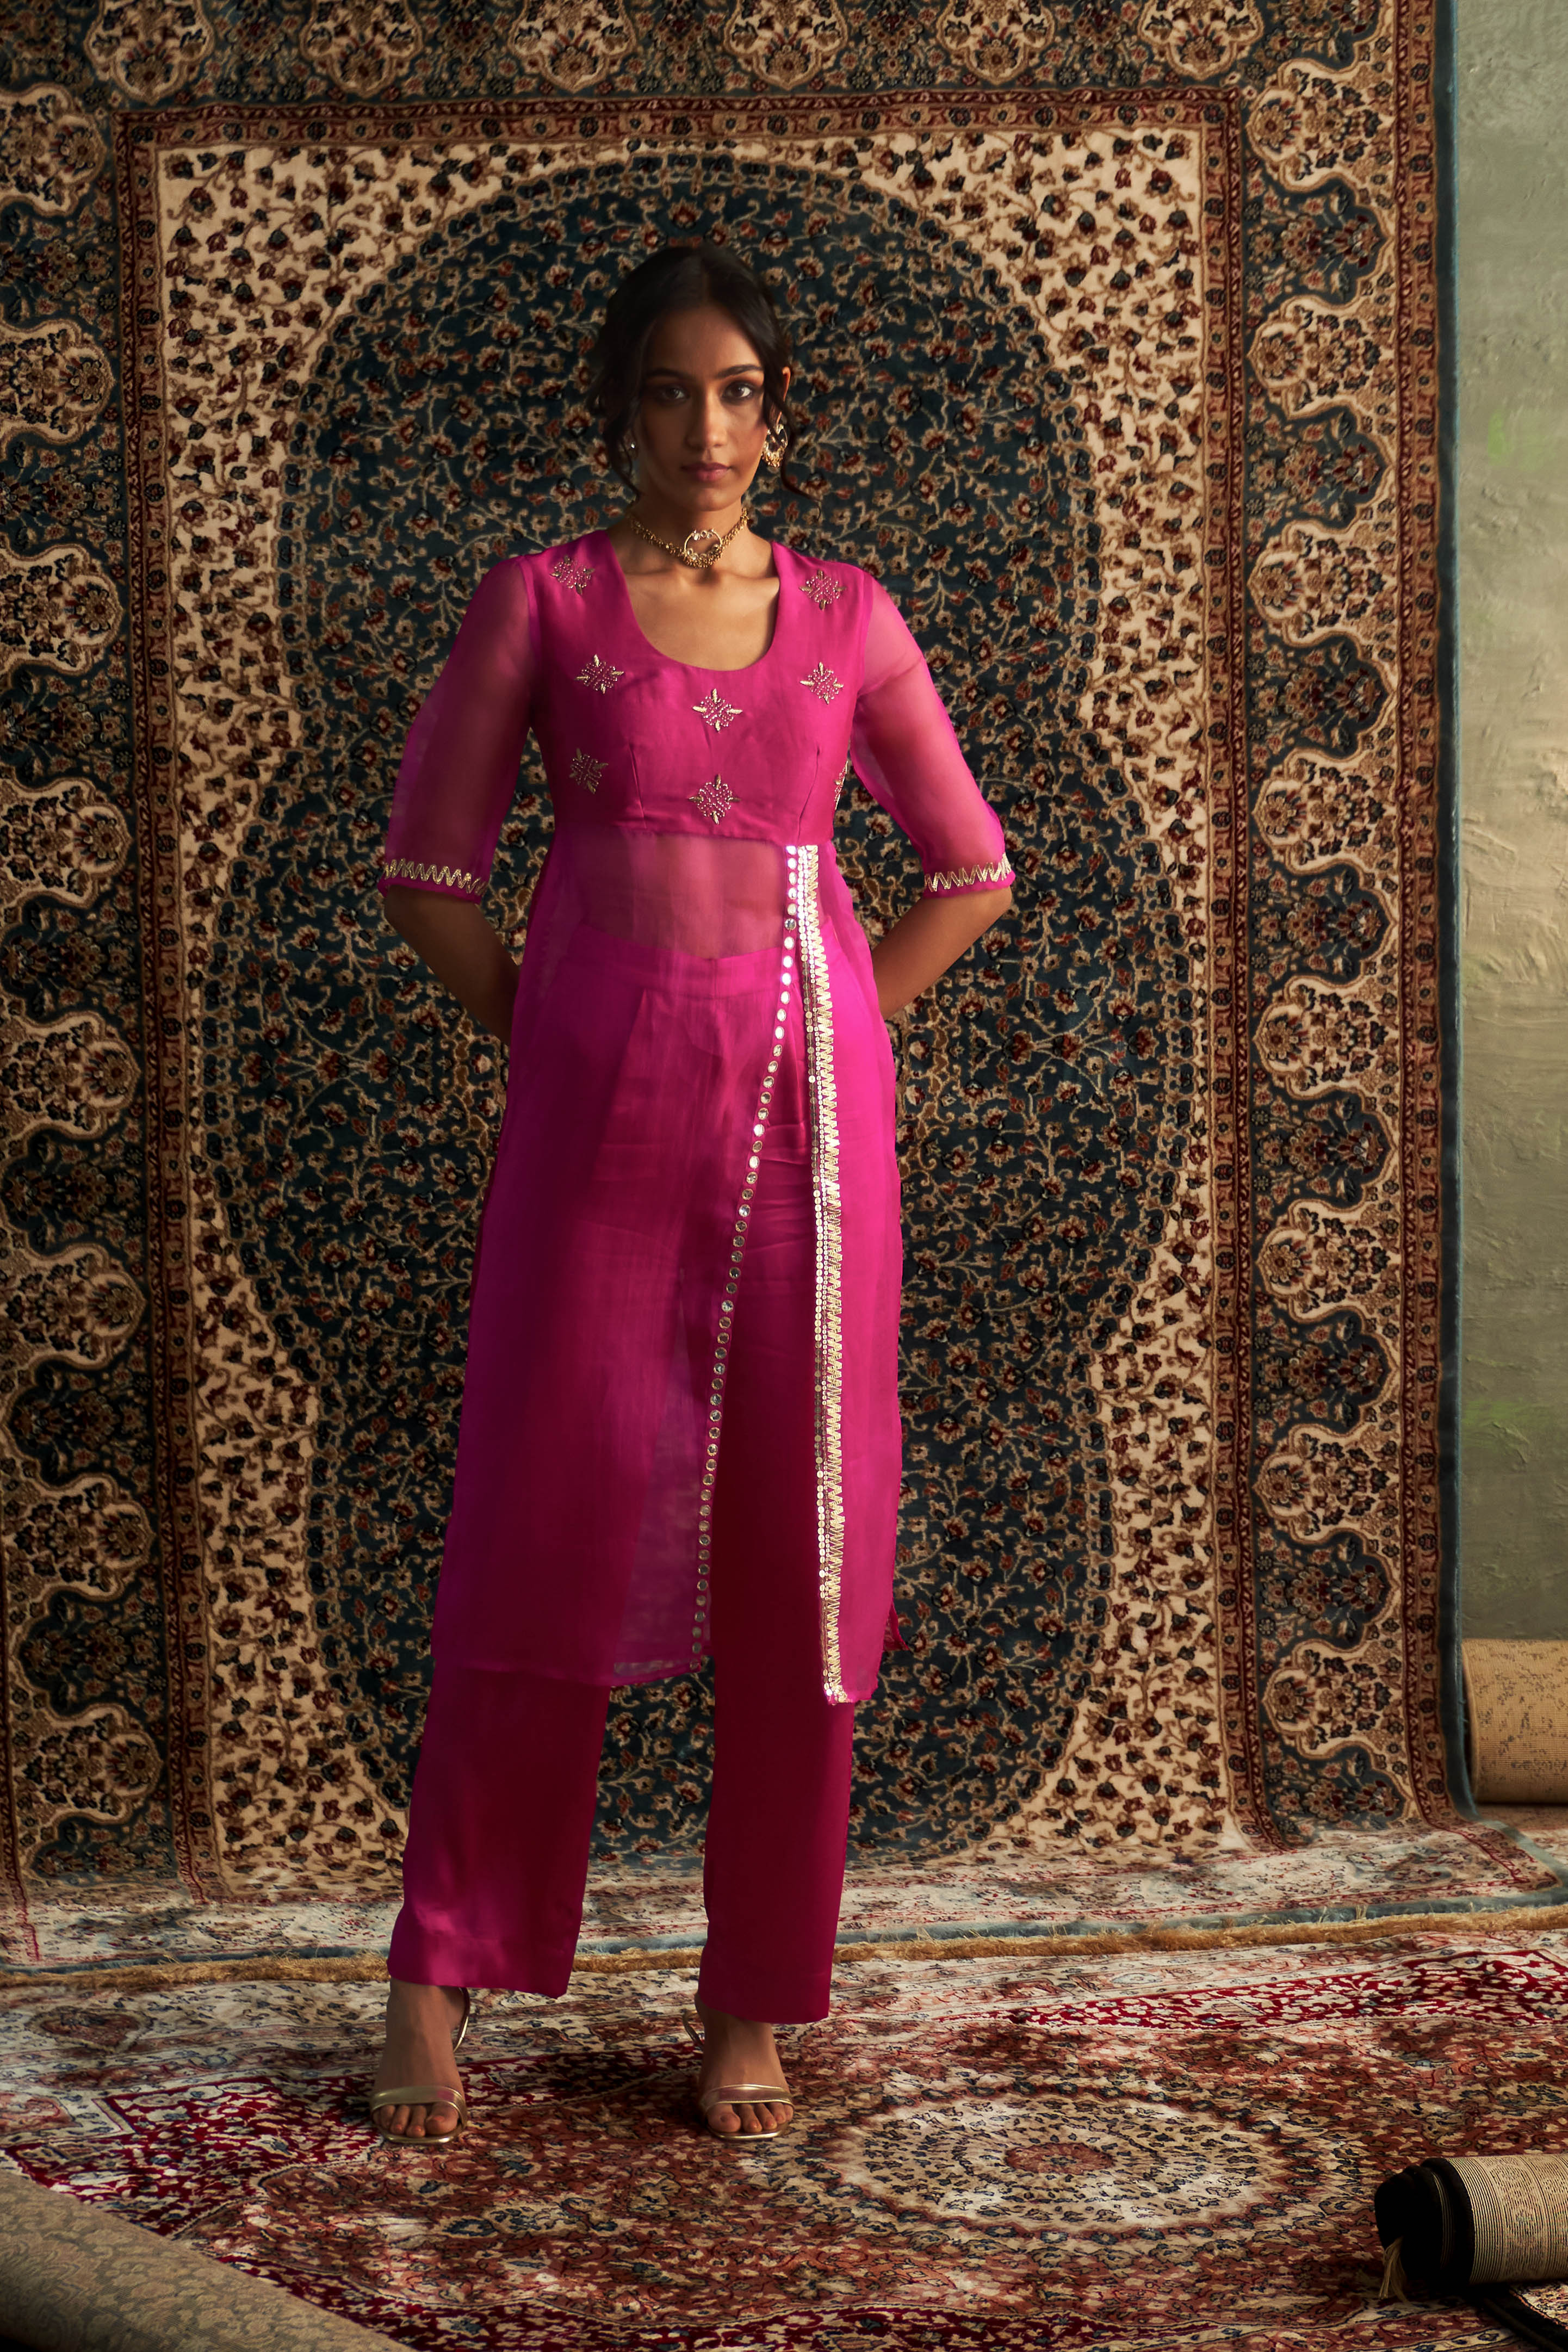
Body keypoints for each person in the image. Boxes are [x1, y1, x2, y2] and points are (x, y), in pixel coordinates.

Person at [369, 240, 1013, 2146]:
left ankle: (753, 1998)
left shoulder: (848, 618)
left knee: (801, 1559)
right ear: (619, 410)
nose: (705, 427)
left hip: (811, 1144)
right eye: (669, 389)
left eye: (739, 391)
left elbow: (967, 868)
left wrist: (844, 1038)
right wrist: (569, 1031)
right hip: (600, 1131)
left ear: (777, 416)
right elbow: (429, 870)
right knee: (541, 1518)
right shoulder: (543, 602)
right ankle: (436, 1969)